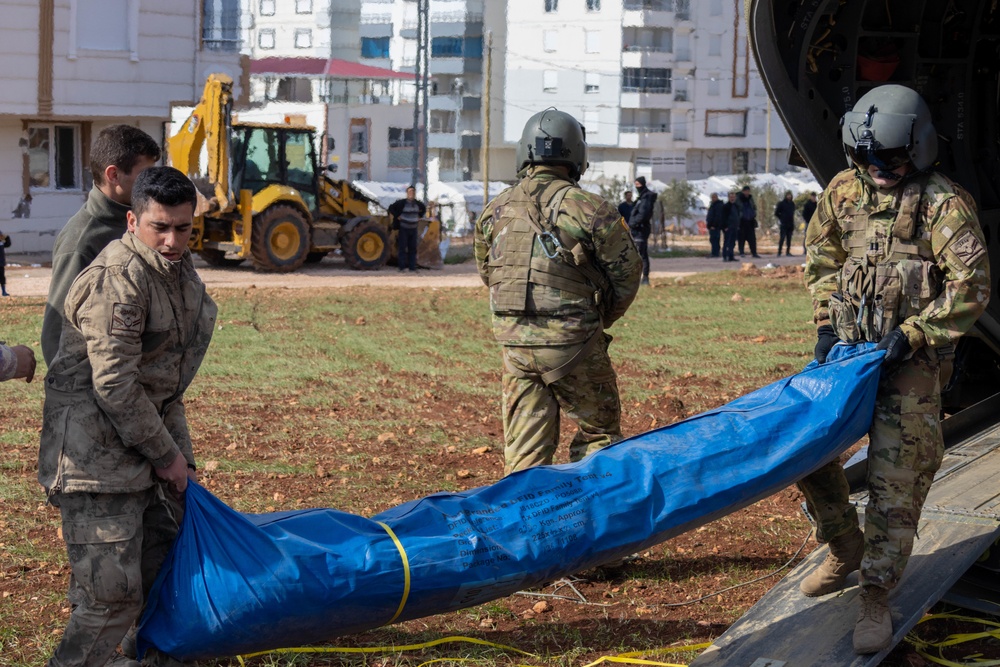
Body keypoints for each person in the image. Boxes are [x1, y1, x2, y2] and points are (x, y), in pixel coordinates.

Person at [799, 84, 990, 655]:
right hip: (848, 354)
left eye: (890, 158)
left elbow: (971, 288)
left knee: (896, 480)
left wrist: (913, 335)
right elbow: (822, 259)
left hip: (910, 363)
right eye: (865, 158)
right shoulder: (841, 191)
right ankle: (842, 546)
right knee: (803, 452)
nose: (877, 169)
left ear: (920, 147)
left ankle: (875, 593)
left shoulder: (943, 203)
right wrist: (825, 325)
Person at [39, 166, 217, 667]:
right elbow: (114, 384)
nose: (172, 239)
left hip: (142, 452)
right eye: (160, 226)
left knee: (163, 575)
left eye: (183, 228)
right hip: (94, 465)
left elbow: (167, 388)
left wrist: (183, 461)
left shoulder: (180, 277)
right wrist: (167, 456)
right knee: (109, 600)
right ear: (133, 220)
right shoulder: (118, 279)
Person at [474, 108, 641, 475]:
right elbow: (627, 276)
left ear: (525, 152)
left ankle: (525, 523)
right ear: (576, 156)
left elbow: (488, 272)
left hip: (515, 347)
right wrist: (597, 317)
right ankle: (593, 523)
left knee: (524, 455)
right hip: (575, 345)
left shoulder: (494, 210)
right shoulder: (592, 209)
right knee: (599, 435)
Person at [41, 124, 160, 365]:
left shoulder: (142, 223)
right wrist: (77, 396)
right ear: (113, 175)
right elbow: (56, 335)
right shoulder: (82, 241)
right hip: (101, 387)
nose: (151, 183)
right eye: (144, 174)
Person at [387, 185, 426, 272]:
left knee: (413, 248)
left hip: (413, 228)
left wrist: (420, 216)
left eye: (413, 192)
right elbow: (391, 208)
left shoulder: (418, 204)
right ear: (407, 193)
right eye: (410, 192)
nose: (411, 193)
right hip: (404, 228)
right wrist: (398, 216)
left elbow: (423, 209)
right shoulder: (401, 203)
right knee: (402, 248)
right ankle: (402, 267)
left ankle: (412, 267)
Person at [629, 176, 656, 285]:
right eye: (635, 185)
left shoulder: (646, 198)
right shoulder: (641, 197)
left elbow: (643, 214)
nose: (637, 187)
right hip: (636, 229)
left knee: (641, 254)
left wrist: (633, 223)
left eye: (638, 185)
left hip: (640, 229)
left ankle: (644, 278)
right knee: (636, 254)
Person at [736, 185, 760, 258]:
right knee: (741, 238)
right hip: (742, 221)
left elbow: (754, 207)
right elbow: (737, 208)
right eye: (746, 191)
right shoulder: (739, 198)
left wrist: (754, 213)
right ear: (743, 191)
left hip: (750, 221)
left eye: (748, 191)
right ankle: (741, 252)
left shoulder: (750, 198)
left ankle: (754, 253)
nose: (747, 193)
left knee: (752, 238)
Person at [774, 190, 797, 256]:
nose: (789, 196)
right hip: (784, 223)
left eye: (790, 195)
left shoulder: (792, 204)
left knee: (789, 239)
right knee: (782, 238)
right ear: (786, 196)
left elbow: (792, 213)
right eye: (788, 195)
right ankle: (779, 252)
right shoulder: (781, 203)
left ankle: (788, 252)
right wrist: (781, 218)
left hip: (790, 223)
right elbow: (776, 213)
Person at [721, 191, 740, 262]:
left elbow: (737, 216)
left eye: (733, 197)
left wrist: (738, 225)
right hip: (728, 227)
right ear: (728, 197)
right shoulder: (725, 206)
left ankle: (731, 256)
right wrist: (725, 226)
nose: (732, 198)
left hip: (734, 227)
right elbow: (723, 217)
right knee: (727, 242)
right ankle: (725, 256)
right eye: (731, 197)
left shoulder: (736, 206)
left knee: (733, 243)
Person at [705, 192, 724, 258]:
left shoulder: (718, 205)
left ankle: (715, 253)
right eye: (712, 197)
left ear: (717, 197)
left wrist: (714, 225)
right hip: (711, 226)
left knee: (715, 239)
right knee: (713, 239)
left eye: (714, 197)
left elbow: (717, 216)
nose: (713, 198)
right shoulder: (713, 205)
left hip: (715, 226)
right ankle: (714, 252)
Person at [0, 228, 10, 296]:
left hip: (1, 263)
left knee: (2, 278)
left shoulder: (1, 243)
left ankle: (4, 291)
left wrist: (7, 237)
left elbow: (8, 244)